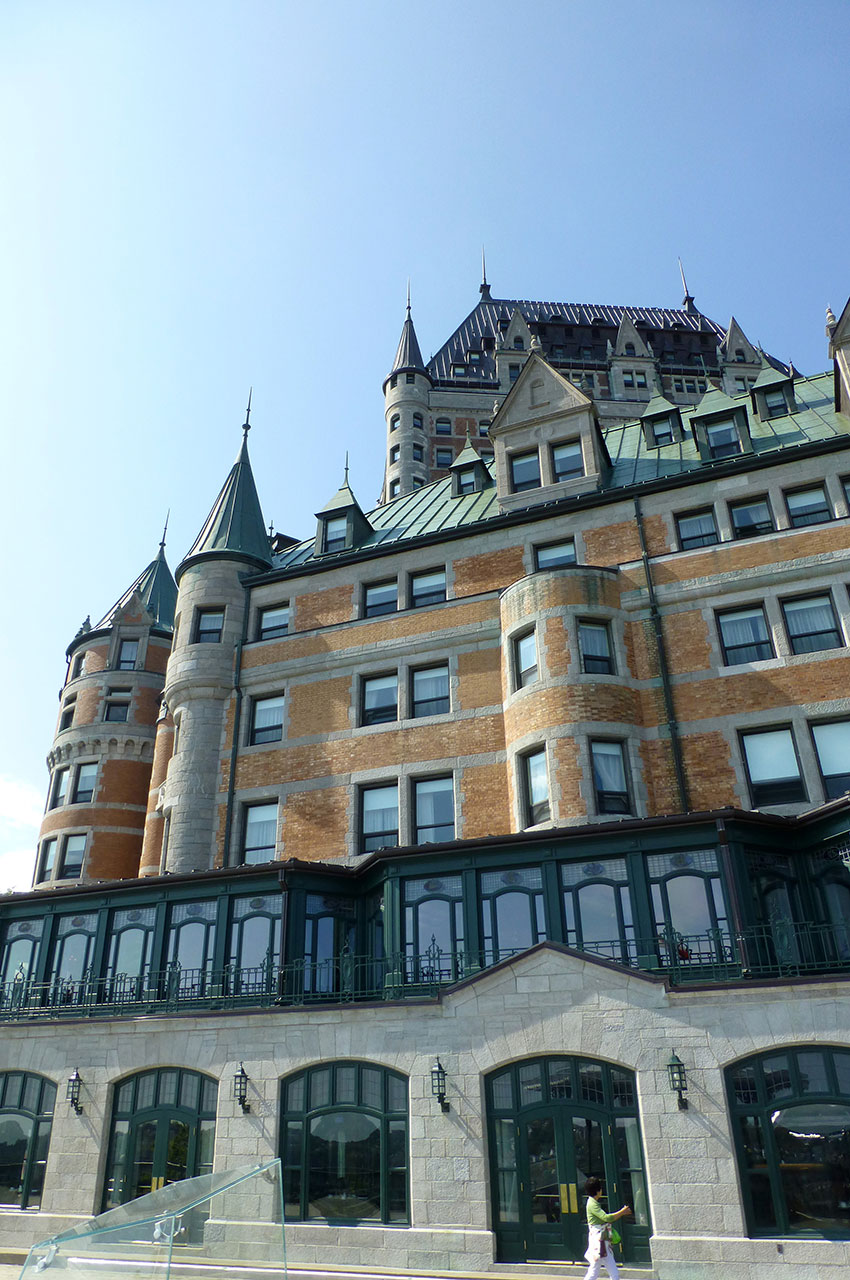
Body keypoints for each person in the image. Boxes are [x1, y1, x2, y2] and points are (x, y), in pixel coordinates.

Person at [582, 1176, 632, 1280]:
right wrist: (622, 1212)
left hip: (601, 1241)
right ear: (597, 1190)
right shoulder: (592, 1204)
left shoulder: (592, 1202)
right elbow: (606, 1218)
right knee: (595, 1270)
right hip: (599, 1241)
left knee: (607, 1267)